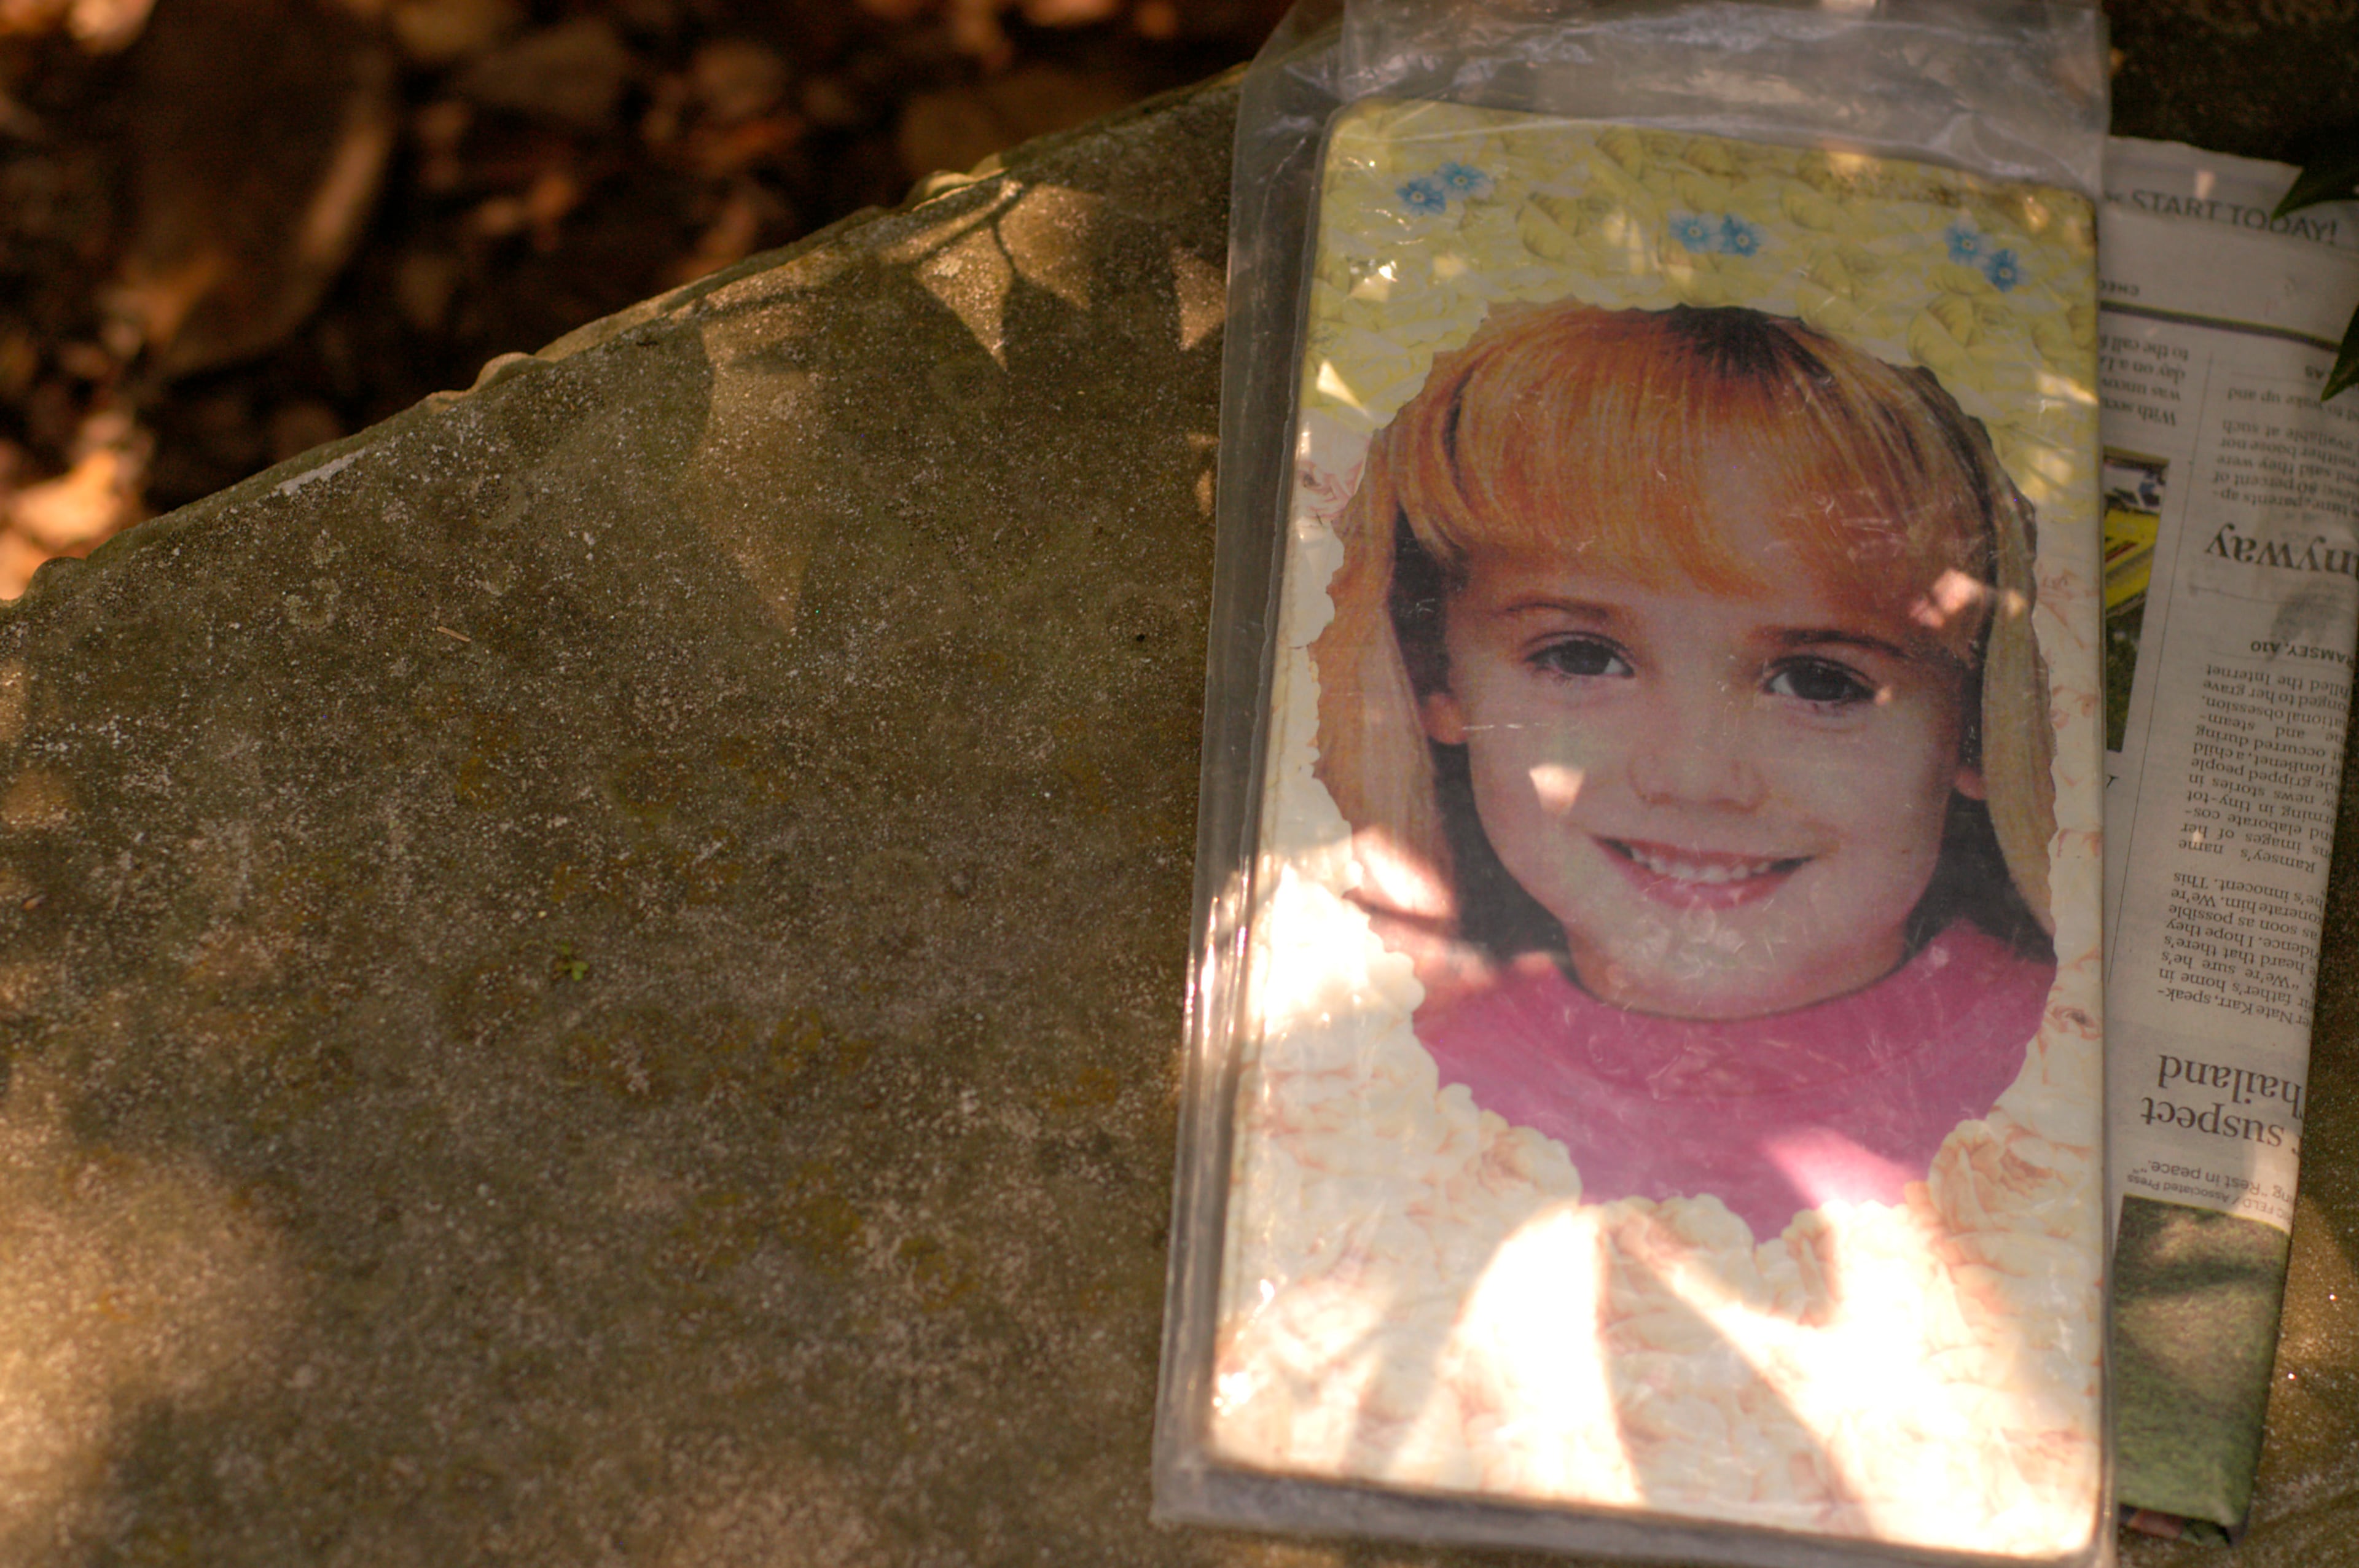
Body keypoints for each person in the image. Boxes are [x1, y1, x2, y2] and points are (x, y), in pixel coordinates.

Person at [1309, 301, 2059, 1238]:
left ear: (1979, 724)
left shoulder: (2062, 1056)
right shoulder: (1395, 1066)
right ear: (1436, 677)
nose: (1697, 778)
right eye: (1582, 656)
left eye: (1819, 679)